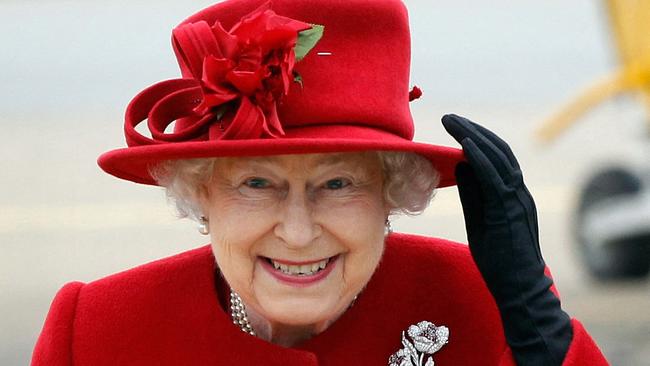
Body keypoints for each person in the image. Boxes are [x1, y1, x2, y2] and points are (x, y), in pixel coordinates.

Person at [31, 0, 609, 365]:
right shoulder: (96, 332)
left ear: (391, 195)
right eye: (256, 183)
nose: (300, 232)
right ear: (200, 194)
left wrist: (543, 340)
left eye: (338, 184)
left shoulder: (483, 305)